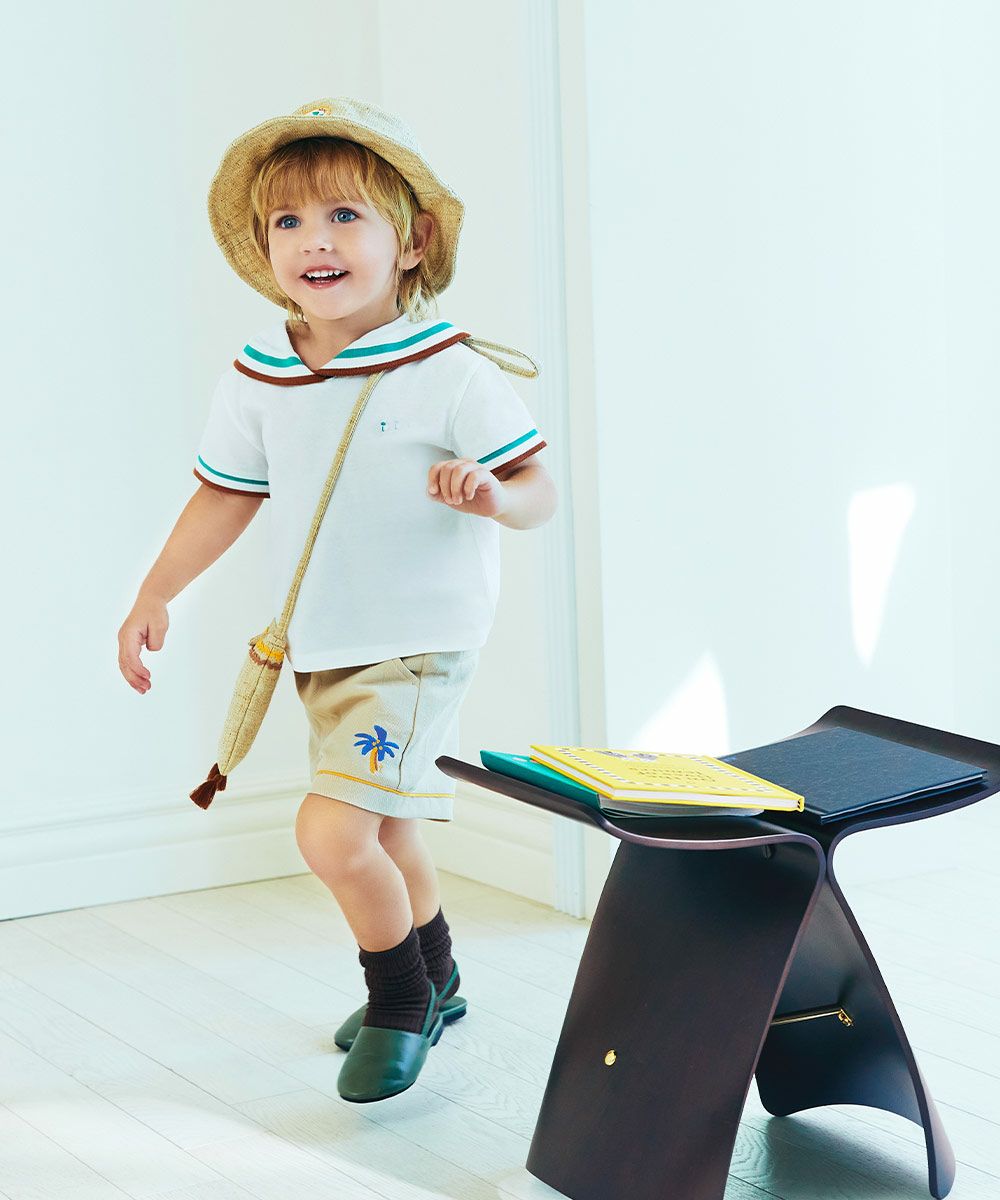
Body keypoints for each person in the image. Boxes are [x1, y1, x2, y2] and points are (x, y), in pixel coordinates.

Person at [116, 97, 557, 1103]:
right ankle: (439, 976)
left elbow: (538, 489)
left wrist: (493, 495)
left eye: (345, 216)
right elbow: (226, 495)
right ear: (264, 246)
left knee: (330, 833)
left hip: (416, 645)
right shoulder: (259, 373)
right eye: (290, 221)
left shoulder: (448, 371)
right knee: (386, 829)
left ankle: (400, 1002)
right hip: (323, 644)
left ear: (413, 243)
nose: (315, 240)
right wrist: (156, 590)